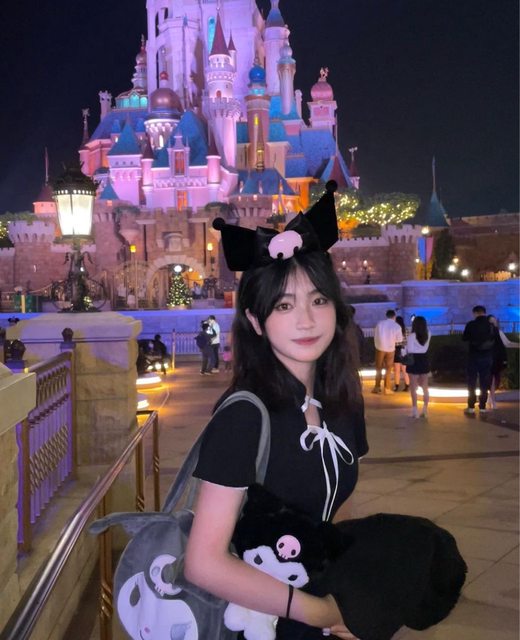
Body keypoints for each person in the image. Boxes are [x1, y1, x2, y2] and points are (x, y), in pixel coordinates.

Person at [184, 182, 368, 639]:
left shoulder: (342, 402)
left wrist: (350, 593)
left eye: (318, 300)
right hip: (258, 623)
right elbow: (204, 562)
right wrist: (319, 612)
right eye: (284, 305)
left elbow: (338, 506)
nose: (306, 320)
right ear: (254, 320)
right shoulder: (245, 416)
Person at [462, 305, 495, 414]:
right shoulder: (490, 326)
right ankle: (482, 406)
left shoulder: (471, 324)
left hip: (473, 356)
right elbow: (494, 339)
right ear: (484, 312)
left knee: (471, 381)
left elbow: (464, 338)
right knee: (484, 382)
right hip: (487, 357)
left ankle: (471, 406)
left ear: (475, 313)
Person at [487, 315, 520, 409]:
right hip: (492, 358)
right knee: (493, 379)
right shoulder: (493, 332)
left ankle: (490, 399)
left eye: (494, 321)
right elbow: (507, 343)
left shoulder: (496, 332)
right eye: (492, 321)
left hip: (494, 358)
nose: (494, 323)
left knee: (493, 379)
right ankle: (492, 401)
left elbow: (507, 343)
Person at [372, 309, 403, 394]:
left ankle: (377, 387)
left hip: (380, 347)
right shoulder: (397, 326)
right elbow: (399, 339)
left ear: (386, 316)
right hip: (390, 349)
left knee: (378, 368)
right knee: (388, 368)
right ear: (394, 316)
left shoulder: (380, 324)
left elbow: (375, 335)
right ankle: (387, 388)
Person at [406, 316, 431, 418]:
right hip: (424, 359)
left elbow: (410, 350)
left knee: (413, 386)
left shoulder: (411, 336)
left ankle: (415, 410)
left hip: (414, 360)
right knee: (425, 386)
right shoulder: (428, 334)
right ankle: (425, 409)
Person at [393, 316, 410, 392]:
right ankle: (407, 385)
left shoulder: (395, 330)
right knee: (404, 369)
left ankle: (396, 386)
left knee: (397, 370)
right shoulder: (406, 330)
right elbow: (408, 340)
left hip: (397, 350)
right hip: (404, 350)